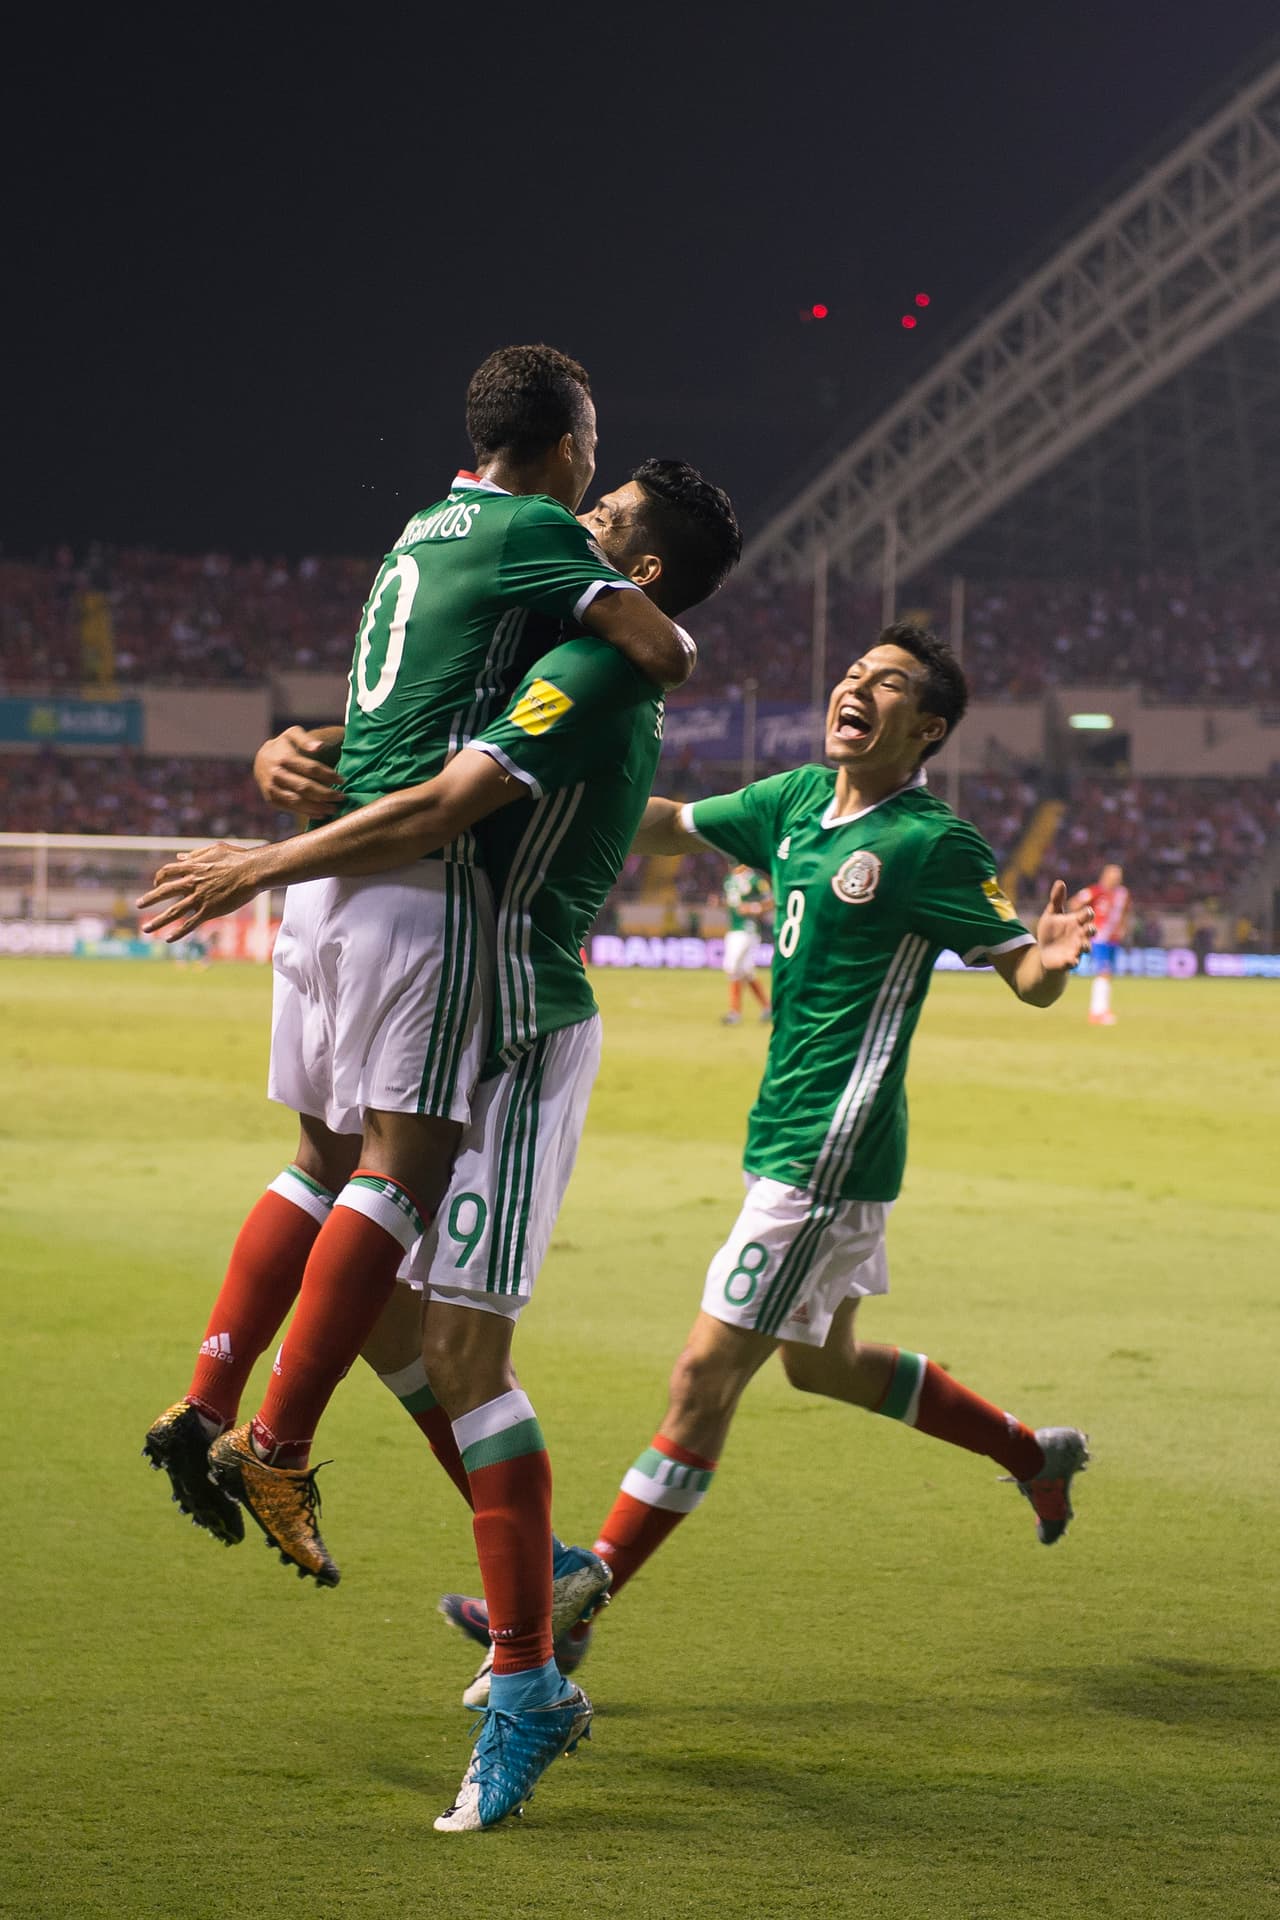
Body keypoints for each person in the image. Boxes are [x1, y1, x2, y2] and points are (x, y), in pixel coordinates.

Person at [140, 458, 741, 1832]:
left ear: (636, 574)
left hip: (518, 1030)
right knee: (398, 1322)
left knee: (461, 1350)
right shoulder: (539, 647)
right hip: (460, 1005)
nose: (575, 530)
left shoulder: (590, 673)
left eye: (604, 526)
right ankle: (546, 1581)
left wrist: (256, 858)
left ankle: (531, 1682)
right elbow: (407, 761)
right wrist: (289, 757)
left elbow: (439, 808)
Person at [440, 621, 1096, 1696]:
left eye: (885, 684)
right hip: (782, 1137)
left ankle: (575, 1602)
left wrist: (1051, 962)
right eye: (852, 671)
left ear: (924, 728)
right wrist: (545, 787)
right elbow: (661, 826)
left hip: (825, 1155)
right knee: (821, 1363)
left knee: (703, 1376)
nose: (856, 685)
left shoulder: (933, 844)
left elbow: (1023, 971)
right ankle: (1033, 1455)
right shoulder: (793, 803)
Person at [1070, 862, 1130, 1025]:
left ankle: (1103, 1009)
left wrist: (1123, 928)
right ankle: (1097, 1012)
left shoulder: (1123, 894)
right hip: (1100, 938)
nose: (1115, 878)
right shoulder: (1095, 891)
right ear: (1105, 876)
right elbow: (1075, 903)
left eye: (1118, 875)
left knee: (1108, 974)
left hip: (1114, 939)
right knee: (1103, 972)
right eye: (1112, 875)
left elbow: (1124, 913)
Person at [720, 862, 772, 1024]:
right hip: (734, 928)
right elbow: (732, 903)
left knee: (731, 967)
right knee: (746, 971)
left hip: (748, 929)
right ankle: (767, 1007)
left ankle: (734, 1013)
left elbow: (770, 901)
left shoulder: (755, 879)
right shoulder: (729, 879)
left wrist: (753, 908)